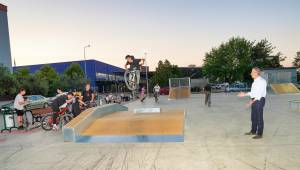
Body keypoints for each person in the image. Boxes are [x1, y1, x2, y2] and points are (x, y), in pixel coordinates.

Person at [238, 67, 267, 139]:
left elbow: (259, 95)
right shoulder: (255, 81)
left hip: (260, 100)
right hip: (255, 100)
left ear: (256, 73)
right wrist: (250, 101)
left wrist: (245, 95)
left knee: (259, 117)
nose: (251, 73)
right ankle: (253, 131)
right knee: (253, 117)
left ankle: (260, 134)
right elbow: (253, 93)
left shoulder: (262, 81)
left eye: (252, 72)